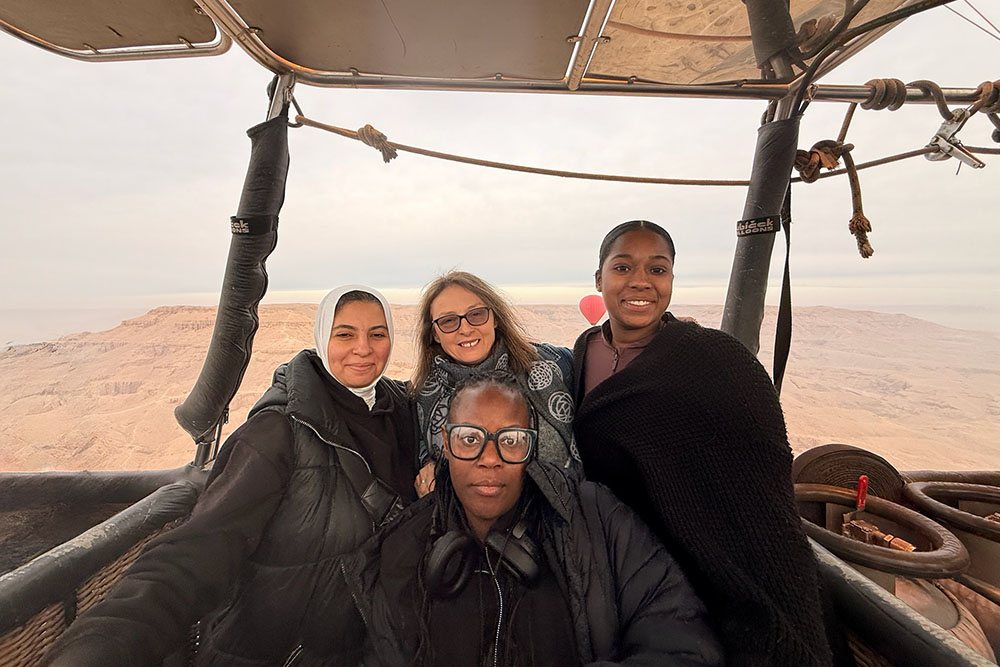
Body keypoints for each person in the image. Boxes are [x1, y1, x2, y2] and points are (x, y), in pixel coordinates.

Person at [46, 286, 419, 667]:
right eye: (344, 334)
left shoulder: (397, 412)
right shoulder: (277, 433)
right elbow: (198, 550)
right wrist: (104, 644)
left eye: (377, 333)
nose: (363, 348)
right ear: (323, 337)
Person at [571, 220, 839, 667]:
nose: (640, 281)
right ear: (599, 279)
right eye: (623, 267)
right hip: (623, 557)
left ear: (672, 280)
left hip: (701, 563)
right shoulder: (584, 351)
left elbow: (759, 475)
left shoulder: (714, 358)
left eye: (657, 269)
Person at [338, 371, 723, 666]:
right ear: (445, 441)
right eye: (470, 439)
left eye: (510, 440)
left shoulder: (596, 520)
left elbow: (682, 640)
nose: (490, 457)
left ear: (531, 444)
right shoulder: (403, 546)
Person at [412, 271, 578, 497]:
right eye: (448, 321)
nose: (465, 328)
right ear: (435, 334)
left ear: (495, 318)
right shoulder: (423, 398)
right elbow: (425, 457)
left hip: (563, 518)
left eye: (477, 314)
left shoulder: (556, 365)